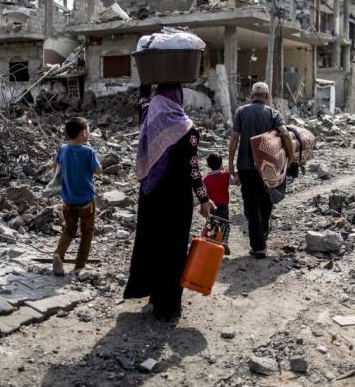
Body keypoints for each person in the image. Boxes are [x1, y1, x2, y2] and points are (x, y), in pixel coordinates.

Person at [124, 84, 214, 321]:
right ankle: (168, 307)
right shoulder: (186, 129)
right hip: (176, 199)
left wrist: (147, 79)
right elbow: (193, 169)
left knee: (152, 243)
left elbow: (143, 100)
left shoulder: (148, 118)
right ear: (178, 99)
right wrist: (204, 198)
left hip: (150, 196)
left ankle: (155, 296)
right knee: (173, 249)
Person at [228, 82, 293, 259]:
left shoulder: (241, 112)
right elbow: (285, 134)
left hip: (246, 167)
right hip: (267, 169)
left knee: (250, 206)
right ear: (267, 96)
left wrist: (231, 163)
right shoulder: (273, 113)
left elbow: (234, 138)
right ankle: (261, 236)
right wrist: (290, 157)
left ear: (251, 95)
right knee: (265, 202)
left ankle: (258, 246)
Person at [52, 117, 103, 277]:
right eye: (88, 129)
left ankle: (58, 254)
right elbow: (98, 171)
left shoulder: (63, 149)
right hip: (86, 200)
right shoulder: (88, 151)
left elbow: (55, 166)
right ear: (83, 133)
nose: (89, 132)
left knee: (69, 229)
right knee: (87, 232)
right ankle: (79, 266)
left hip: (68, 199)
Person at [203, 153, 235, 255]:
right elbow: (235, 181)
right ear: (221, 164)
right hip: (223, 205)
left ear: (208, 165)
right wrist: (232, 172)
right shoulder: (226, 175)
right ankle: (224, 241)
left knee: (214, 225)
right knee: (225, 224)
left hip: (212, 206)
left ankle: (213, 244)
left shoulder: (205, 179)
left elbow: (204, 194)